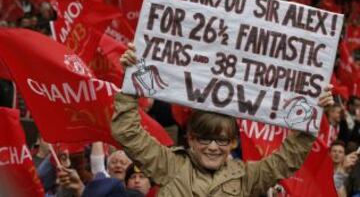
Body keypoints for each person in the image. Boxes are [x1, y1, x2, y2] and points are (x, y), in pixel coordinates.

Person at [111, 43, 335, 196]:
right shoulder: (169, 164)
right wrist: (131, 83)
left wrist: (313, 111)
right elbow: (127, 131)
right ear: (191, 139)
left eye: (221, 140)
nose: (212, 147)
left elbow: (287, 159)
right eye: (204, 139)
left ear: (233, 143)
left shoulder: (247, 177)